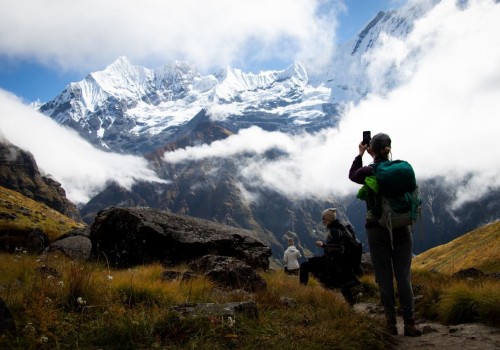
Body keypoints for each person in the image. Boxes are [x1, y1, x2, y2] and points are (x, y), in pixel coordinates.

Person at [348, 132, 422, 337]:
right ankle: (410, 323)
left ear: (373, 148)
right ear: (389, 148)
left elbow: (353, 174)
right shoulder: (401, 169)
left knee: (384, 276)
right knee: (404, 276)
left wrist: (361, 154)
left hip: (377, 227)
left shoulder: (370, 170)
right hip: (402, 227)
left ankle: (390, 324)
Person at [299, 208, 361, 306]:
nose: (323, 221)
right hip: (341, 262)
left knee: (304, 266)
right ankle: (350, 305)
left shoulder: (334, 230)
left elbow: (339, 248)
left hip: (333, 261)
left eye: (323, 219)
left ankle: (301, 292)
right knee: (342, 283)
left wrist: (323, 245)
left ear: (327, 219)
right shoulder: (341, 227)